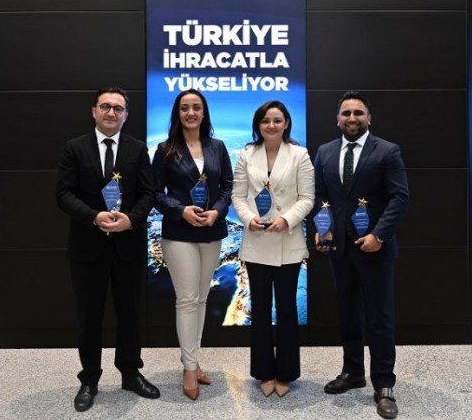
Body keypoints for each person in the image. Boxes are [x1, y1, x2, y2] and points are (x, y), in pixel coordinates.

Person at [56, 87, 160, 412]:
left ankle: (130, 374)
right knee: (89, 318)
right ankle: (89, 379)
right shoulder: (75, 148)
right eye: (105, 106)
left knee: (129, 314)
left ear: (126, 115)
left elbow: (148, 193)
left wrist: (130, 220)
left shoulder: (137, 149)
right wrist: (94, 216)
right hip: (88, 248)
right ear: (94, 111)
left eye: (118, 108)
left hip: (127, 246)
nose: (111, 112)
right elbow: (64, 194)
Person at [313, 91, 409, 419]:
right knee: (348, 313)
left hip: (375, 248)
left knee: (379, 317)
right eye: (346, 113)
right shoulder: (325, 152)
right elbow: (321, 196)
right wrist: (322, 227)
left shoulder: (387, 151)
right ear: (337, 119)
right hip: (338, 248)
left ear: (369, 118)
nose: (351, 118)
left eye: (357, 113)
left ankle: (384, 384)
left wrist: (379, 235)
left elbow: (399, 198)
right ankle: (352, 372)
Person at [151, 89, 233, 401]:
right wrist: (181, 210)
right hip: (178, 232)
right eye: (184, 108)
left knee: (201, 299)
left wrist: (218, 211)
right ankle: (188, 368)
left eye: (196, 107)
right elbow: (155, 192)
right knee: (186, 299)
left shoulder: (218, 147)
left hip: (211, 230)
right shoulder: (165, 149)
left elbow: (227, 186)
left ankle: (194, 359)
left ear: (204, 112)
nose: (190, 113)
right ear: (178, 113)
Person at [232, 100, 315, 398]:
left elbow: (307, 198)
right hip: (256, 242)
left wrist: (286, 219)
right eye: (266, 120)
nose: (271, 125)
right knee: (261, 309)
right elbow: (237, 195)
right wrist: (247, 218)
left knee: (288, 309)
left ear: (286, 123)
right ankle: (264, 372)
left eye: (277, 120)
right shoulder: (246, 154)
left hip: (288, 241)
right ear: (258, 124)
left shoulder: (300, 154)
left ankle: (287, 372)